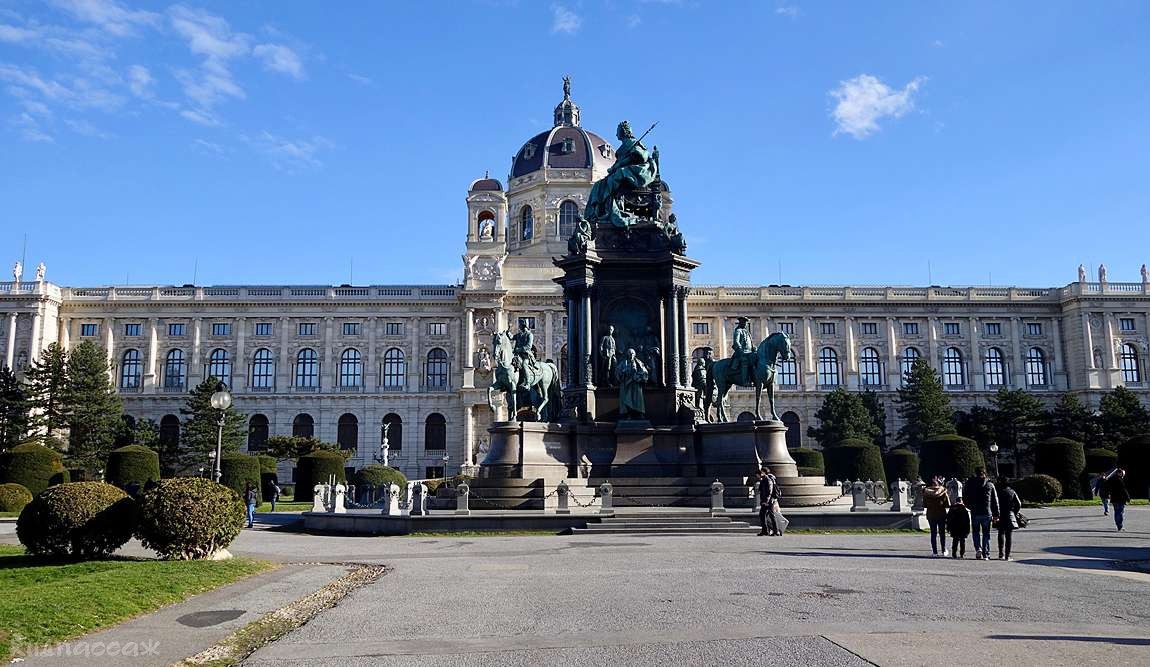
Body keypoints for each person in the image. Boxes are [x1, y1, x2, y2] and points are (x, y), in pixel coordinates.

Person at [962, 468, 1000, 560]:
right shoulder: (990, 484)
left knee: (975, 532)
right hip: (987, 512)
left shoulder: (971, 484)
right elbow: (995, 500)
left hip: (975, 511)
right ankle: (986, 553)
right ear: (985, 474)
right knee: (986, 533)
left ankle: (978, 548)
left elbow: (965, 496)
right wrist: (996, 514)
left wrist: (969, 506)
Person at [923, 476, 951, 557]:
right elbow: (948, 504)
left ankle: (935, 552)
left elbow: (924, 505)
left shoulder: (926, 492)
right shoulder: (943, 491)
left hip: (931, 514)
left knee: (933, 533)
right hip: (941, 514)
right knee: (942, 533)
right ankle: (943, 550)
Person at [996, 477, 1022, 561]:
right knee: (1009, 535)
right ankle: (1007, 555)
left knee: (1000, 533)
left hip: (1000, 514)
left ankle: (1001, 553)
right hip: (1009, 513)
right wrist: (1014, 512)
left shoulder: (998, 491)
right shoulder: (1011, 491)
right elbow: (1018, 503)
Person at [757, 467, 786, 536]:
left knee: (770, 515)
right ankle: (766, 531)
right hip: (767, 500)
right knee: (763, 514)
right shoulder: (765, 479)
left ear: (764, 472)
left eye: (761, 472)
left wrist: (766, 501)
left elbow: (769, 491)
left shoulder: (768, 479)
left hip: (769, 501)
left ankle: (775, 531)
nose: (760, 473)